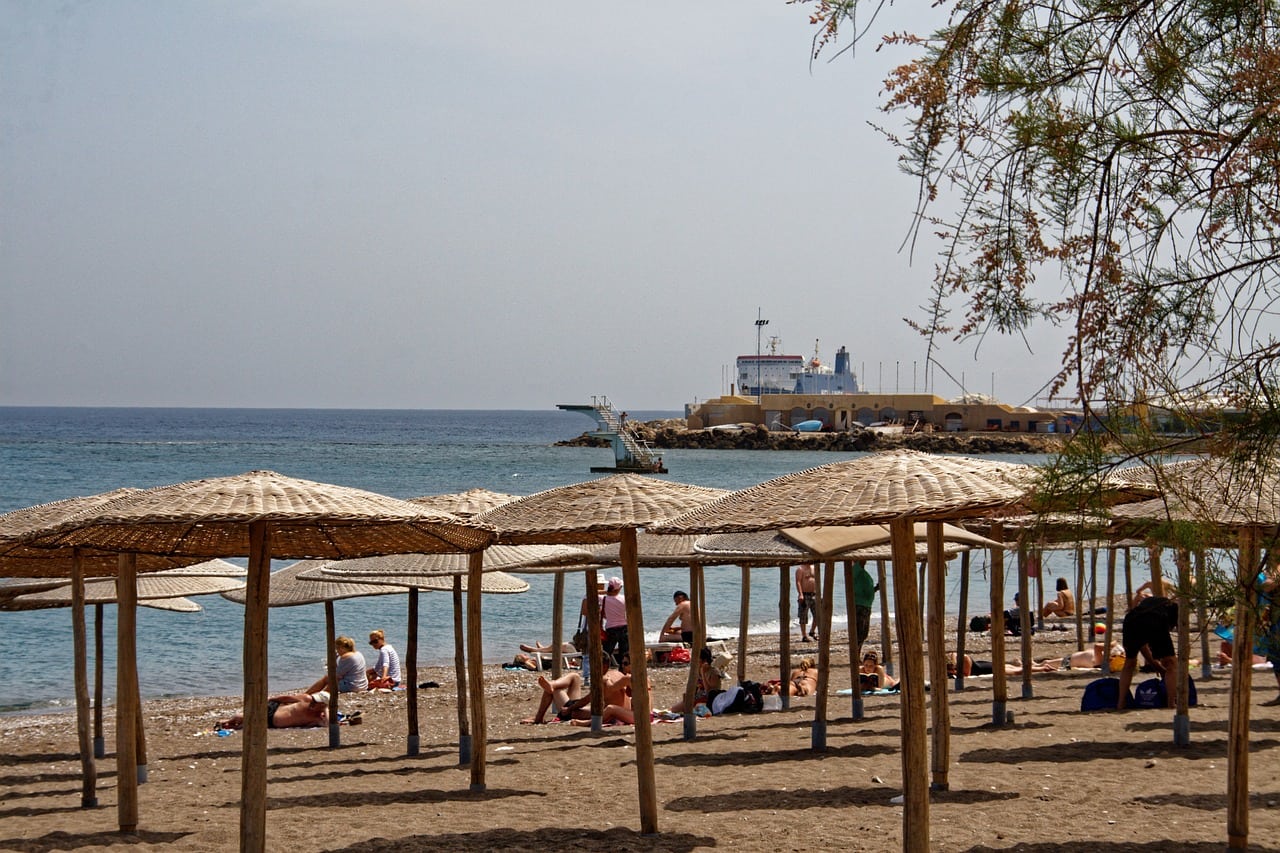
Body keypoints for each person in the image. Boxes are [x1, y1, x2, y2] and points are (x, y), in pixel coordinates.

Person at [1117, 595, 1179, 709]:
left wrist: (1157, 666)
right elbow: (1182, 637)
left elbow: (1142, 644)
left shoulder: (1154, 603)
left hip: (1131, 620)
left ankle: (1121, 703)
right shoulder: (1176, 609)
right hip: (1155, 620)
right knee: (1171, 664)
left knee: (1129, 663)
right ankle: (1171, 702)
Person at [216, 691, 329, 731]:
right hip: (274, 709)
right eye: (315, 699)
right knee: (241, 717)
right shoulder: (306, 699)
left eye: (317, 702)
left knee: (245, 726)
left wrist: (326, 709)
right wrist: (271, 699)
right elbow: (286, 698)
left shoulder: (317, 718)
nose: (313, 702)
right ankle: (227, 722)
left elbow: (328, 725)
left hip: (272, 722)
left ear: (323, 706)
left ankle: (229, 725)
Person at [521, 671, 591, 724]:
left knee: (554, 690)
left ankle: (538, 718)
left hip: (574, 713)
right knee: (575, 677)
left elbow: (587, 699)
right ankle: (552, 684)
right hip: (578, 708)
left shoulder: (602, 681)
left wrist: (570, 709)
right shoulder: (601, 680)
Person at [670, 647, 725, 713]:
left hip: (709, 700)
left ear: (704, 661)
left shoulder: (713, 673)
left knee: (693, 710)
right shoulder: (697, 671)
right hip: (697, 698)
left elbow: (708, 692)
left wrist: (703, 673)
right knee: (674, 709)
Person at [600, 576, 629, 662]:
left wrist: (607, 592)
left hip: (611, 628)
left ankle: (603, 669)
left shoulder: (603, 598)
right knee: (624, 652)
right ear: (618, 589)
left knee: (606, 652)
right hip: (624, 626)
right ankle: (623, 670)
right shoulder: (624, 598)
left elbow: (591, 592)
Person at [852, 561, 877, 646]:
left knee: (863, 633)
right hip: (860, 606)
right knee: (859, 633)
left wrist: (875, 589)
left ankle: (857, 653)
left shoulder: (861, 573)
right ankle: (856, 654)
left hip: (865, 606)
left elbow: (866, 591)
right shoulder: (856, 571)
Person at [795, 563, 818, 641]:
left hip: (814, 594)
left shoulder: (814, 567)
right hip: (805, 595)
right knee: (803, 616)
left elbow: (816, 580)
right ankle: (804, 635)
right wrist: (800, 594)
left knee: (818, 614)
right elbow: (798, 582)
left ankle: (812, 631)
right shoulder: (800, 569)